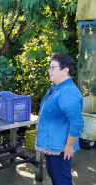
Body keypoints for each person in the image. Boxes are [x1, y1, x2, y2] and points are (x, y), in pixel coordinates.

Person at [35, 53, 84, 185]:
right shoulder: (56, 88)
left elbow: (77, 123)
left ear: (65, 70)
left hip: (61, 148)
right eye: (49, 67)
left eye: (53, 67)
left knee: (61, 180)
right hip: (53, 146)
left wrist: (69, 145)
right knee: (55, 177)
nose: (49, 70)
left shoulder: (68, 91)